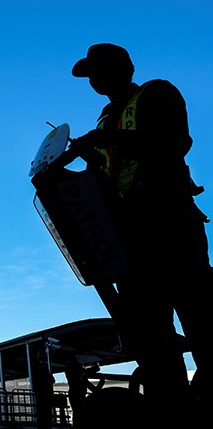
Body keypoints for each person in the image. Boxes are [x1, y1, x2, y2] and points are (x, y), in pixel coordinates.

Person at [68, 43, 212, 426]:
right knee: (150, 333)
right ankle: (171, 408)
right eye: (90, 75)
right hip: (128, 237)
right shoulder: (104, 120)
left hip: (170, 223)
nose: (95, 80)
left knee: (198, 316)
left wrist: (108, 143)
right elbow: (108, 174)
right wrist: (86, 158)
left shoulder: (157, 92)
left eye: (100, 70)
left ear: (126, 68)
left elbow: (175, 142)